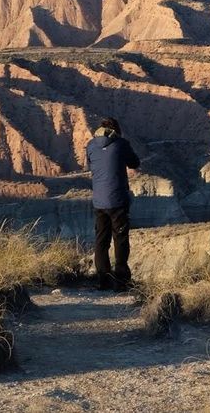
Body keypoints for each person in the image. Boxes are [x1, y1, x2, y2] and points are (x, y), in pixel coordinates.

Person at [86, 117, 141, 291]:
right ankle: (122, 281)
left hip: (99, 201)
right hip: (118, 200)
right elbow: (135, 163)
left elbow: (91, 165)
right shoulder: (121, 144)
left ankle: (103, 280)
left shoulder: (90, 145)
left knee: (101, 240)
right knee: (120, 239)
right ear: (116, 130)